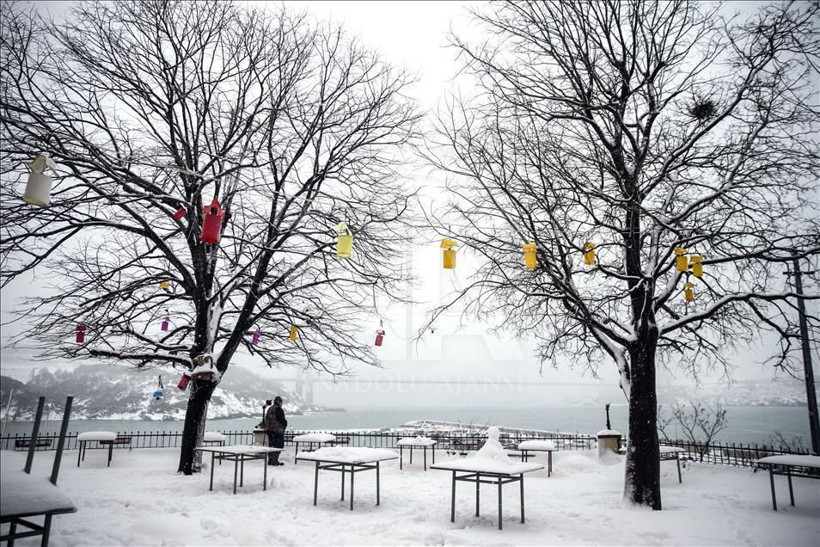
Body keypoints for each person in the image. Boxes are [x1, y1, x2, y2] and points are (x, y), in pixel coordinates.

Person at [265, 396, 287, 465]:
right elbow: (282, 420)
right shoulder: (278, 409)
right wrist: (285, 424)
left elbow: (266, 419)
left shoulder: (269, 409)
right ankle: (275, 461)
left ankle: (270, 460)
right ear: (278, 402)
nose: (281, 403)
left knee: (271, 445)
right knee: (279, 446)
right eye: (281, 402)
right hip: (277, 431)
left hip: (270, 431)